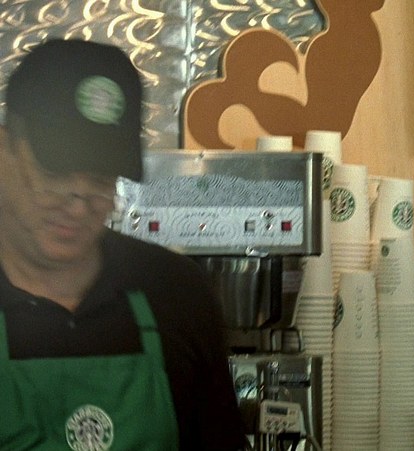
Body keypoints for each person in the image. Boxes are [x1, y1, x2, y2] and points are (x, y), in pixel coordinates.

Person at [0, 39, 248, 449]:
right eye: (55, 174)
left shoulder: (176, 293)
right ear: (5, 148)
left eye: (101, 180)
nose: (77, 205)